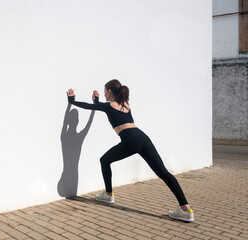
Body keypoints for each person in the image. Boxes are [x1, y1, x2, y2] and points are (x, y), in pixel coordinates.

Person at [66, 79, 194, 222]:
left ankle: (108, 195)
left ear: (109, 92)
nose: (104, 94)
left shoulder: (109, 106)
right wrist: (97, 100)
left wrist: (72, 101)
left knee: (104, 160)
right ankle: (186, 209)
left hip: (131, 140)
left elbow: (89, 106)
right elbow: (101, 106)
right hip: (143, 138)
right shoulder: (126, 105)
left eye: (104, 92)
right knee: (163, 173)